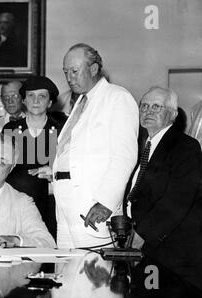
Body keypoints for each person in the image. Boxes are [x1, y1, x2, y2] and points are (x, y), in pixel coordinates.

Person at [54, 43, 139, 248]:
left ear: (93, 69)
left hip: (93, 208)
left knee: (96, 272)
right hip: (66, 207)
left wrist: (106, 202)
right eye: (66, 72)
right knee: (66, 274)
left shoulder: (117, 98)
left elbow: (124, 156)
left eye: (75, 71)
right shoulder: (80, 102)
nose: (69, 78)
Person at [125, 87, 202, 278]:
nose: (148, 111)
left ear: (172, 114)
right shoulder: (140, 146)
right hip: (141, 248)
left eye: (156, 107)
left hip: (169, 253)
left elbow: (177, 199)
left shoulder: (186, 147)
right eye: (144, 106)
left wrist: (142, 235)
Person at [3, 76, 62, 239]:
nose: (36, 101)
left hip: (51, 207)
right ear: (24, 100)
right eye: (31, 95)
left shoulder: (61, 129)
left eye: (42, 96)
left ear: (50, 103)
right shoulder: (11, 129)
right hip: (17, 207)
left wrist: (54, 172)